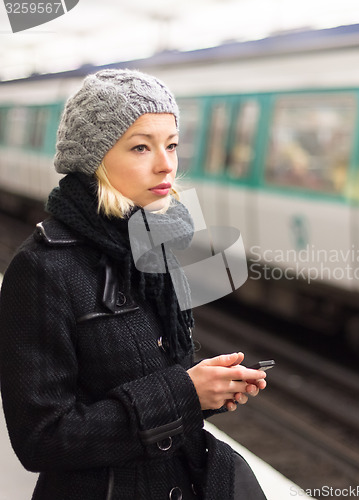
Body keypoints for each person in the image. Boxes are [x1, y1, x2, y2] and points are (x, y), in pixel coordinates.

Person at [0, 69, 268, 500]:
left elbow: (161, 382)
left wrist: (209, 389)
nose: (166, 164)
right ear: (95, 157)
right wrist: (184, 391)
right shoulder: (43, 270)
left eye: (172, 144)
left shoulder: (159, 245)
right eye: (141, 147)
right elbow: (41, 438)